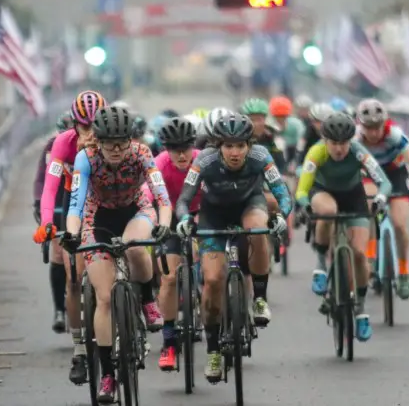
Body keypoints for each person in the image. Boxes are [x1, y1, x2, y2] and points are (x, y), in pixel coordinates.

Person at [59, 106, 173, 403]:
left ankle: (147, 299)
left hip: (136, 211)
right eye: (110, 143)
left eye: (122, 142)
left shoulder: (142, 153)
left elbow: (162, 197)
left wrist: (164, 224)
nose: (117, 150)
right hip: (96, 219)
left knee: (136, 246)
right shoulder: (86, 157)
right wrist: (71, 234)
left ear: (130, 140)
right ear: (98, 140)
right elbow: (75, 205)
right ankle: (108, 374)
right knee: (105, 298)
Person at [175, 113, 292, 383]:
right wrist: (183, 220)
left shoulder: (261, 156)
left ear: (249, 145)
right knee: (213, 280)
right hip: (213, 214)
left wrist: (280, 216)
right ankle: (214, 350)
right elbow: (184, 199)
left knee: (258, 228)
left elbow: (282, 193)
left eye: (240, 145)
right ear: (219, 146)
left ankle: (260, 297)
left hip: (249, 205)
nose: (235, 152)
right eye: (228, 146)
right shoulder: (204, 160)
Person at [295, 112, 390, 342]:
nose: (339, 149)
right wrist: (306, 206)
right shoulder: (316, 152)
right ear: (325, 141)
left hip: (352, 195)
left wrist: (380, 199)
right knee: (327, 212)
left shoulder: (358, 151)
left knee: (359, 253)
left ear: (350, 141)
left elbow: (383, 182)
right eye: (334, 143)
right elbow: (302, 190)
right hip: (323, 192)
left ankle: (360, 308)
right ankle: (320, 266)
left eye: (344, 143)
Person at [32, 90, 106, 385]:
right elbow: (50, 188)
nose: (90, 133)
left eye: (95, 126)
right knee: (73, 277)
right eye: (84, 127)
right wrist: (48, 223)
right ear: (74, 126)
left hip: (107, 201)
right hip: (72, 201)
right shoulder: (62, 144)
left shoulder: (114, 138)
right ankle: (79, 350)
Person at [140, 117, 203, 372]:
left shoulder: (203, 160)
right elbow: (146, 194)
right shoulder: (159, 164)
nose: (181, 154)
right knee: (167, 278)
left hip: (200, 214)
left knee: (211, 267)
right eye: (174, 149)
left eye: (186, 148)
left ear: (193, 146)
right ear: (165, 149)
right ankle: (168, 341)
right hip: (168, 217)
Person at [354, 99, 409, 299]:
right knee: (367, 205)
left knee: (399, 224)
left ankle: (403, 271)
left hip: (395, 174)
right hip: (370, 173)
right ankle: (369, 257)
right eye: (369, 127)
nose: (374, 133)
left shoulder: (394, 134)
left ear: (384, 123)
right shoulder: (356, 138)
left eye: (377, 127)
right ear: (361, 125)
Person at [32, 114, 71, 331]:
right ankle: (59, 308)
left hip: (82, 200)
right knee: (58, 253)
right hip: (57, 201)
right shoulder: (53, 147)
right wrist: (39, 204)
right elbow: (41, 179)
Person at [269, 96, 306, 173]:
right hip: (279, 154)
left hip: (296, 151)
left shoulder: (296, 125)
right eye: (277, 117)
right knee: (278, 142)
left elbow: (302, 143)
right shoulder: (270, 125)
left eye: (283, 117)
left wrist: (296, 162)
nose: (280, 120)